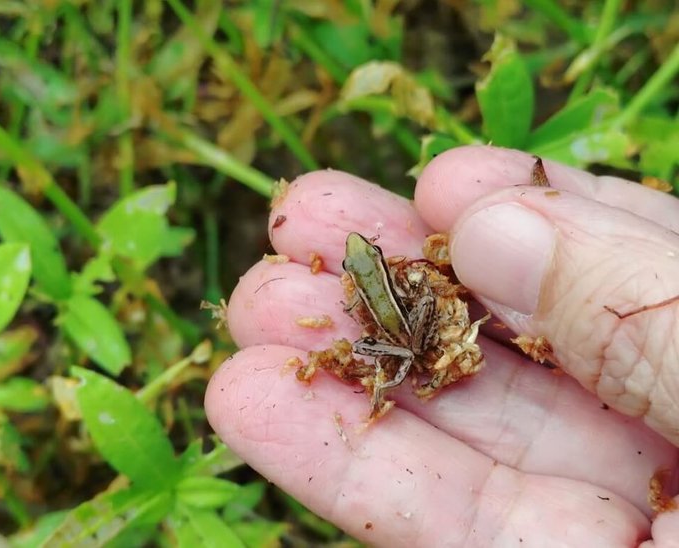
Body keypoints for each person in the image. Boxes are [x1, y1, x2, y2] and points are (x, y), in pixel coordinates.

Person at [204, 145, 679, 546]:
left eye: (366, 255)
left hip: (398, 342)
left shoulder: (361, 293)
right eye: (362, 260)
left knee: (365, 335)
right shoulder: (375, 283)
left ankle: (395, 368)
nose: (362, 256)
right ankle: (403, 361)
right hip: (409, 334)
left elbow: (358, 313)